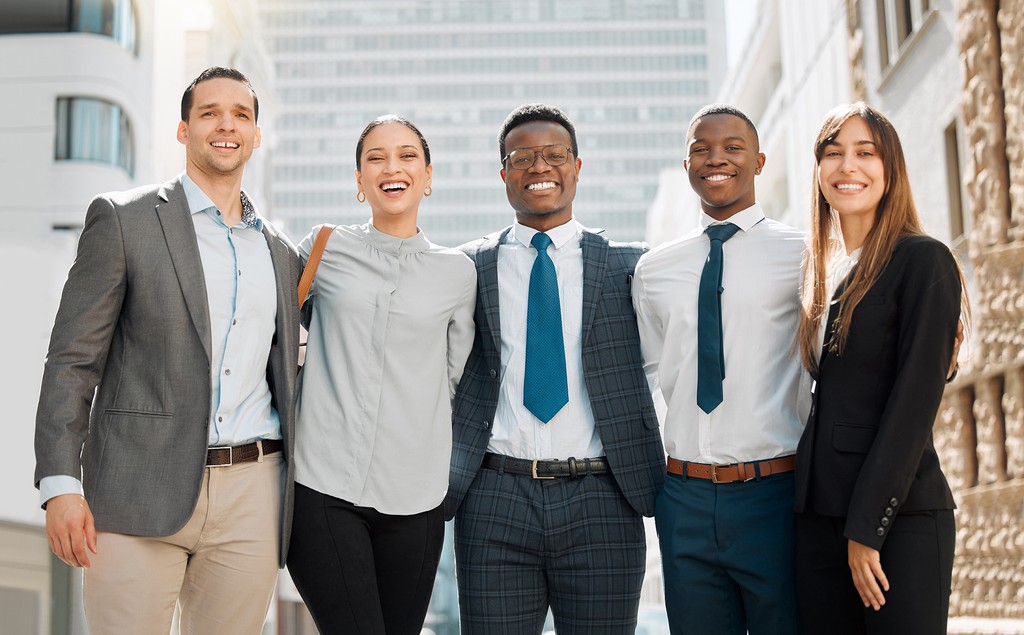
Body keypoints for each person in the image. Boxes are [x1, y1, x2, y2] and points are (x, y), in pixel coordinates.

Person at [33, 67, 301, 634]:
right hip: (135, 487)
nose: (226, 125)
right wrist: (60, 484)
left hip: (253, 494)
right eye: (209, 113)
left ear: (256, 136)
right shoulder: (123, 220)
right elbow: (72, 361)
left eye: (242, 116)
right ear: (184, 130)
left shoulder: (279, 251)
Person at [446, 103, 666, 634]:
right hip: (495, 494)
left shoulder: (631, 266)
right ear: (503, 175)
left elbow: (663, 369)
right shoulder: (467, 268)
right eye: (522, 158)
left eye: (554, 155)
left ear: (577, 166)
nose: (539, 167)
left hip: (603, 497)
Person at [285, 115, 477, 634]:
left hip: (415, 496)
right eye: (376, 157)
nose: (392, 167)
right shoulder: (321, 249)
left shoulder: (458, 274)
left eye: (407, 155)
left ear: (429, 175)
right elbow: (276, 333)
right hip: (322, 486)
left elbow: (452, 377)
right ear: (359, 181)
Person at [631, 104, 807, 634]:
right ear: (686, 168)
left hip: (775, 491)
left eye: (733, 147)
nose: (717, 159)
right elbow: (652, 372)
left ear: (758, 159)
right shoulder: (654, 269)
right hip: (683, 495)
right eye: (701, 150)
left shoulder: (804, 254)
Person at [793, 103, 967, 634]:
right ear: (818, 171)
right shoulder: (818, 273)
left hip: (899, 520)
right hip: (818, 520)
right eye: (833, 153)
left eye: (866, 153)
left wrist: (867, 528)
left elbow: (913, 406)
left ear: (890, 169)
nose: (849, 167)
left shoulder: (923, 260)